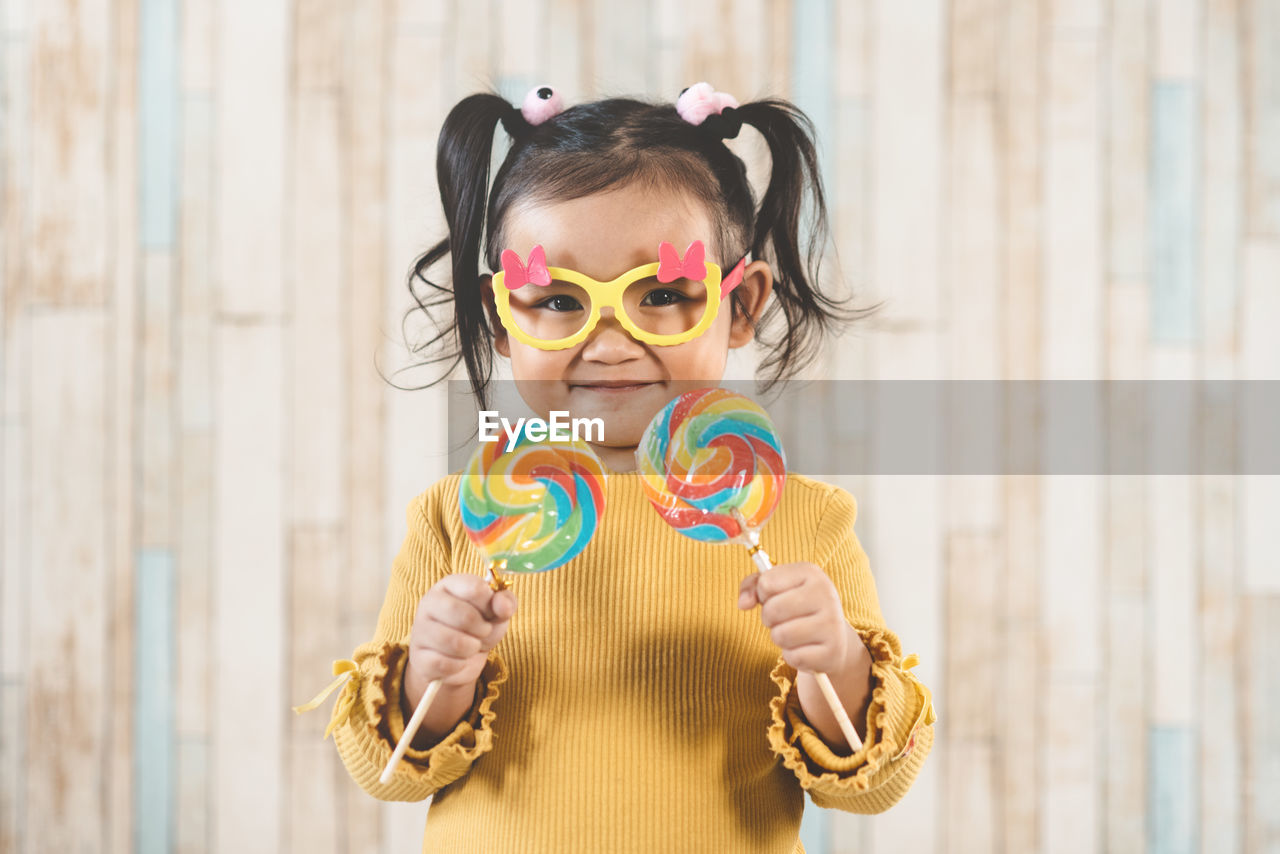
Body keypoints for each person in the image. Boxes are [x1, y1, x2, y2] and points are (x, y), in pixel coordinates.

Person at [297, 82, 936, 853]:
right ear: (500, 315)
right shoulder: (461, 516)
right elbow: (387, 771)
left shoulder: (802, 520)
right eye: (558, 300)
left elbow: (875, 784)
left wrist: (835, 663)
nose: (607, 341)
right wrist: (430, 679)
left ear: (742, 307)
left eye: (662, 293)